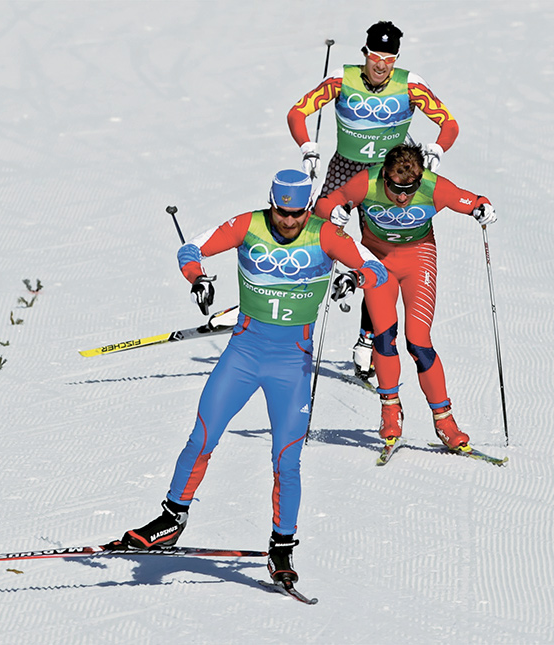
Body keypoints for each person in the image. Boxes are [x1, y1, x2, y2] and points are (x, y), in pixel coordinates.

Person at [115, 170, 388, 588]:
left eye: (298, 214)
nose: (290, 221)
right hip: (243, 354)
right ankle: (170, 520)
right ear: (272, 202)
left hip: (290, 364)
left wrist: (356, 276)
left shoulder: (327, 235)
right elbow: (190, 248)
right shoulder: (249, 224)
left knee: (287, 458)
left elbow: (376, 268)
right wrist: (198, 277)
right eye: (283, 212)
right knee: (202, 437)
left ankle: (281, 548)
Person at [287, 20, 460, 380]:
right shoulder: (341, 78)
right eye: (376, 56)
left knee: (378, 253)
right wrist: (307, 146)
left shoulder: (411, 85)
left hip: (384, 176)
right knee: (316, 226)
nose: (381, 65)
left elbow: (450, 124)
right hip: (346, 167)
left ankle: (367, 337)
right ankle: (288, 294)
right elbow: (297, 112)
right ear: (365, 54)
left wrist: (438, 149)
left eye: (389, 58)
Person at [314, 143, 496, 452]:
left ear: (420, 177)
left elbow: (470, 200)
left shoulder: (434, 187)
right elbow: (325, 203)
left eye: (409, 189)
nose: (402, 196)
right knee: (384, 336)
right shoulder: (366, 181)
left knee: (418, 340)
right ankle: (390, 411)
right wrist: (334, 211)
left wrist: (482, 208)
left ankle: (444, 421)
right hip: (376, 260)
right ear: (385, 174)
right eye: (395, 188)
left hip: (418, 259)